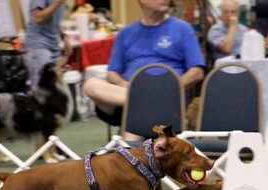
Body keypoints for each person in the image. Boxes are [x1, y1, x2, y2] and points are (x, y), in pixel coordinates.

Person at [83, 0, 205, 140]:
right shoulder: (126, 32)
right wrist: (129, 87)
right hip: (129, 95)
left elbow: (197, 72)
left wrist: (169, 88)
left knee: (132, 133)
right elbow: (112, 74)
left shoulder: (183, 29)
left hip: (168, 99)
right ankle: (144, 100)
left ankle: (144, 103)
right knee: (91, 84)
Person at [24, 0, 73, 89]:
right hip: (38, 46)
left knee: (58, 88)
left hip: (54, 45)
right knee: (41, 90)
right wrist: (58, 2)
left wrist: (64, 38)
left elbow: (57, 20)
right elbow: (38, 18)